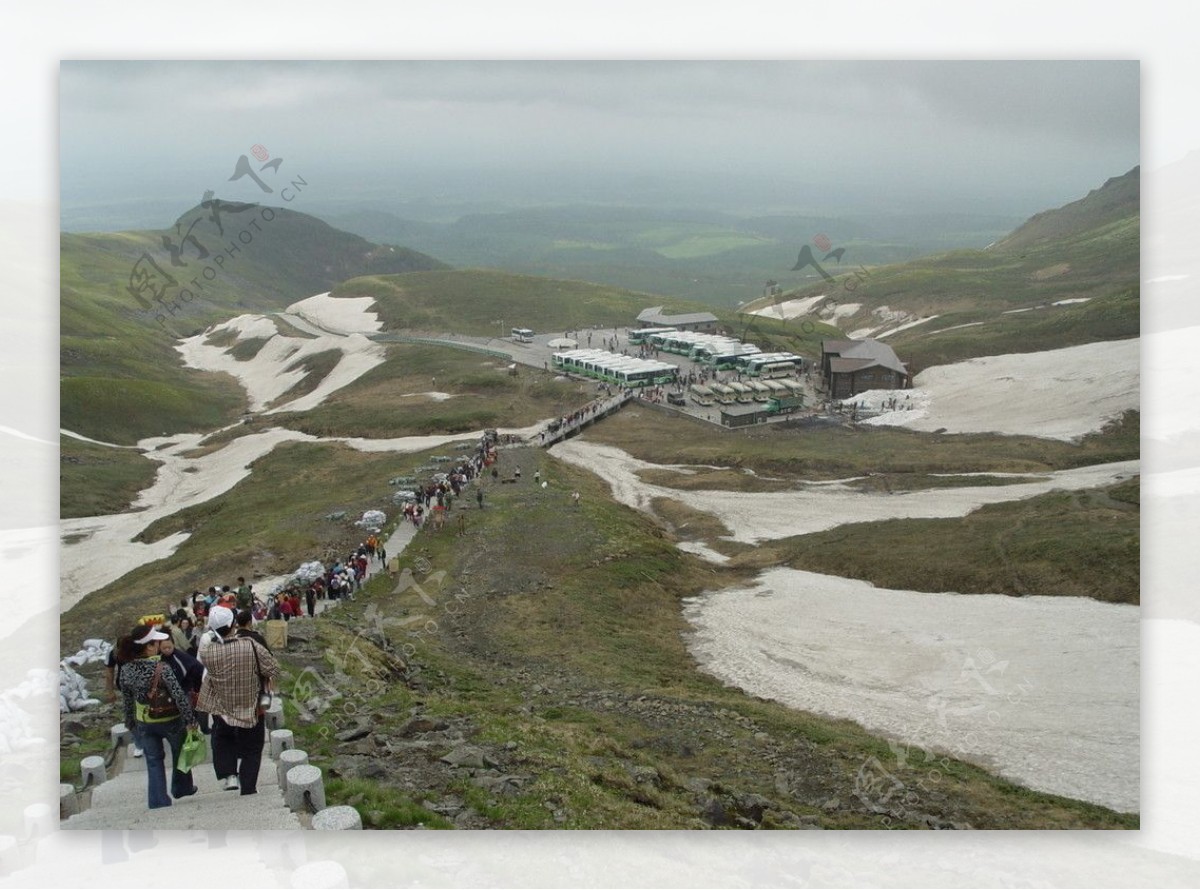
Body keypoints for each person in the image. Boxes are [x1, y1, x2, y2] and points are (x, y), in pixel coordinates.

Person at [196, 606, 280, 795]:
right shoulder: (250, 644)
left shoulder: (208, 651)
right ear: (233, 624)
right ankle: (248, 786)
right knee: (252, 746)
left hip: (222, 706)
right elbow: (273, 668)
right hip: (252, 705)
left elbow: (204, 676)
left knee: (223, 738)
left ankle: (229, 775)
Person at [116, 625, 199, 808]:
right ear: (149, 647)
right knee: (179, 753)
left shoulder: (126, 670)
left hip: (144, 721)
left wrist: (130, 722)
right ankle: (181, 788)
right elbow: (178, 695)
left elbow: (127, 699)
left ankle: (158, 801)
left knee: (153, 761)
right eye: (156, 642)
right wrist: (190, 720)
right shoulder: (162, 667)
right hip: (171, 719)